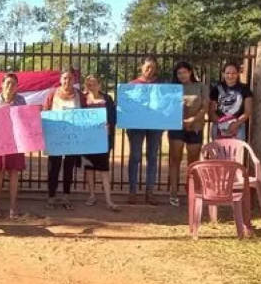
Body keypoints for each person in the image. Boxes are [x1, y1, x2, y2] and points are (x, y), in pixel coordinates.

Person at [41, 67, 86, 210]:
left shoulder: (79, 96)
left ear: (74, 80)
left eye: (70, 78)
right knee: (53, 167)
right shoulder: (52, 95)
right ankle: (51, 196)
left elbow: (86, 114)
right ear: (60, 79)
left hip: (72, 138)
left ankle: (66, 195)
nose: (67, 81)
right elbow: (45, 112)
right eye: (65, 78)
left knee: (69, 167)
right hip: (55, 137)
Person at [0, 73, 26, 219]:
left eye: (14, 84)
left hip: (15, 143)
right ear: (2, 84)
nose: (10, 86)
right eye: (8, 83)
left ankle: (13, 208)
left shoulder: (21, 100)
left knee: (14, 174)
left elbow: (25, 121)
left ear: (17, 87)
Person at [167, 61, 208, 206]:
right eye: (179, 73)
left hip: (195, 127)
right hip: (176, 127)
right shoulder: (172, 88)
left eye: (184, 72)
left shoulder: (201, 87)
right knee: (175, 160)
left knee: (193, 161)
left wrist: (193, 119)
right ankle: (173, 192)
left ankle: (191, 190)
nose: (182, 75)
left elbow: (205, 107)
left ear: (190, 72)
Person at [126, 55, 163, 205]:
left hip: (155, 125)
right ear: (141, 67)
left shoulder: (161, 86)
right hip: (136, 126)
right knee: (135, 156)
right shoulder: (132, 85)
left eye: (153, 68)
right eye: (147, 67)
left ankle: (150, 192)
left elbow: (166, 105)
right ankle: (132, 191)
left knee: (152, 157)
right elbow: (125, 106)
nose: (150, 70)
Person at [81, 74, 118, 211]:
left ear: (99, 85)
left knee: (104, 169)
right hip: (88, 139)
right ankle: (92, 195)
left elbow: (113, 118)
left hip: (103, 139)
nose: (92, 86)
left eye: (94, 83)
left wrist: (109, 125)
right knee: (89, 168)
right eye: (89, 84)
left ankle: (108, 199)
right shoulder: (83, 99)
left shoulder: (107, 99)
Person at [209, 61, 253, 141]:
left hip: (238, 125)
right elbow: (211, 111)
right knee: (218, 152)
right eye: (227, 73)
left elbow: (248, 111)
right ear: (223, 74)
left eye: (233, 73)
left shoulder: (244, 89)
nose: (230, 76)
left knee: (236, 152)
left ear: (238, 74)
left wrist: (236, 124)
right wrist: (222, 124)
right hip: (219, 124)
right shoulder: (216, 89)